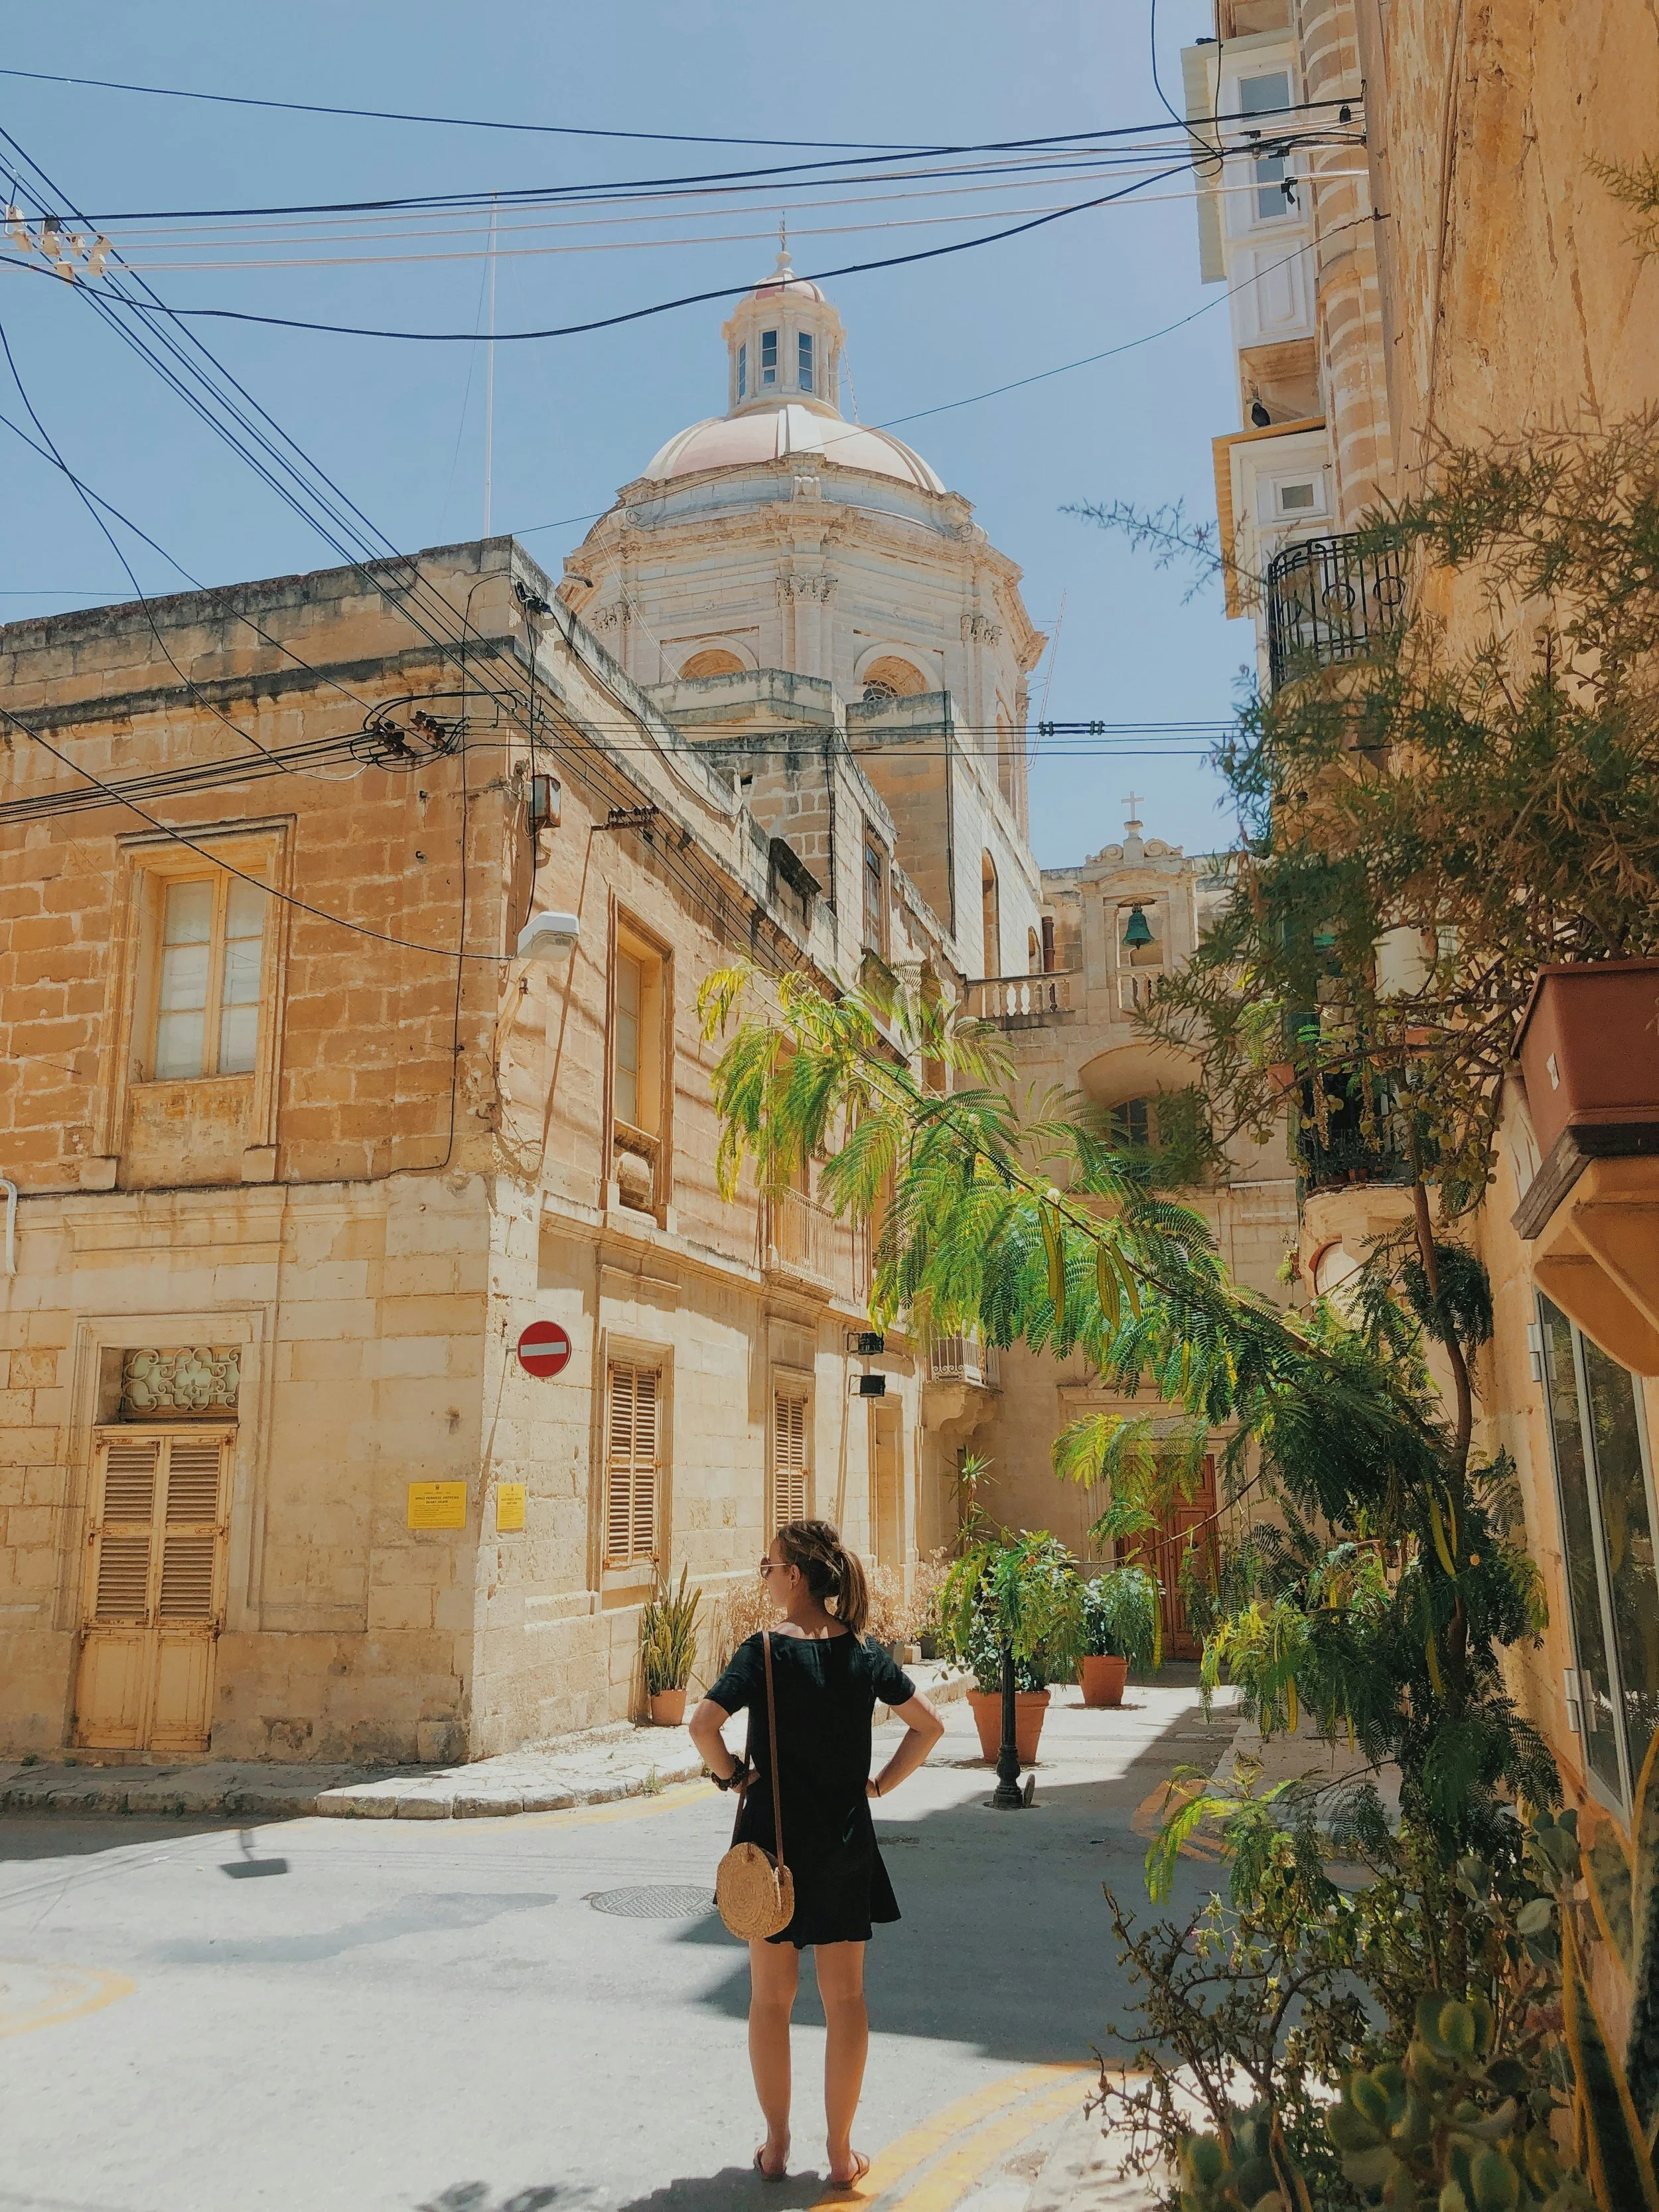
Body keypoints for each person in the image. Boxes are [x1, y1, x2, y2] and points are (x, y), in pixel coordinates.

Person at [689, 1519, 945, 2190]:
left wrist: (731, 1776)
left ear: (795, 1576)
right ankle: (839, 2152)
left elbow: (702, 1724)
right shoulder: (863, 1655)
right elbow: (929, 1725)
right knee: (847, 1998)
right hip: (843, 1842)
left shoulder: (762, 1651)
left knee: (770, 2000)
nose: (765, 1576)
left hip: (770, 1848)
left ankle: (775, 2147)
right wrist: (879, 1785)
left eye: (768, 1565)